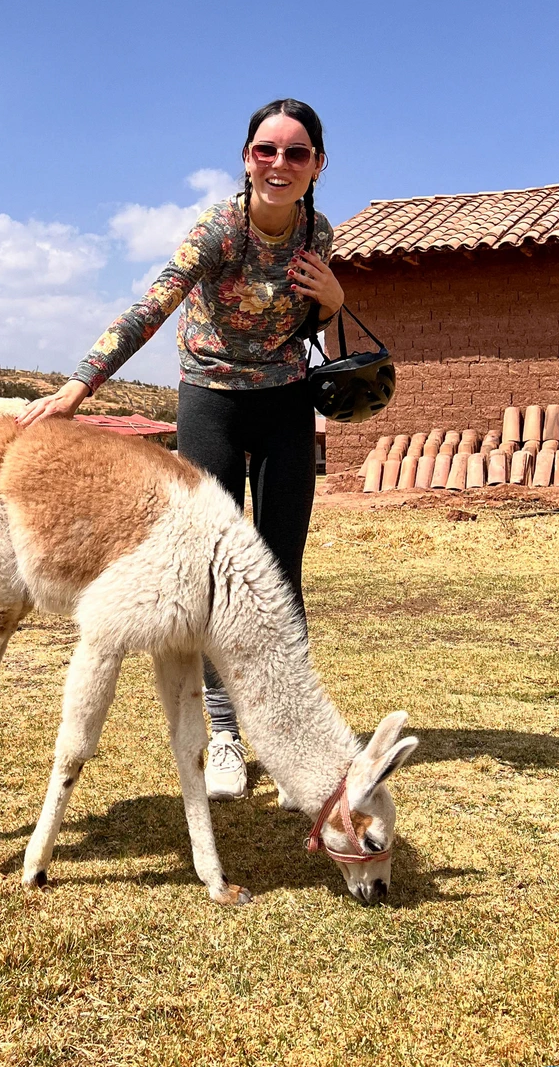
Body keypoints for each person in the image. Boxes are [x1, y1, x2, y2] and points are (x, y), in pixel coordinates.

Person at [19, 97, 345, 801]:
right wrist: (81, 386)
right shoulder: (219, 229)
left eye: (295, 152)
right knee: (212, 579)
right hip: (213, 400)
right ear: (246, 156)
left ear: (318, 163)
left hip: (286, 400)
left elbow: (317, 322)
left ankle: (287, 736)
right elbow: (152, 305)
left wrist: (334, 300)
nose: (279, 164)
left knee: (279, 573)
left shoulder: (318, 232)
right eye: (266, 149)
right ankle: (223, 735)